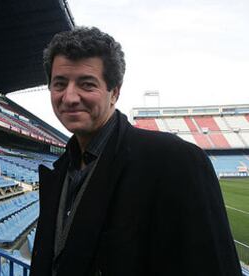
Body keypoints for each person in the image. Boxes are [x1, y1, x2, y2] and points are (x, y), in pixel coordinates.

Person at [30, 27, 241, 276]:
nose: (70, 97)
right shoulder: (62, 168)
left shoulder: (176, 161)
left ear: (114, 93)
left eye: (87, 84)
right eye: (60, 84)